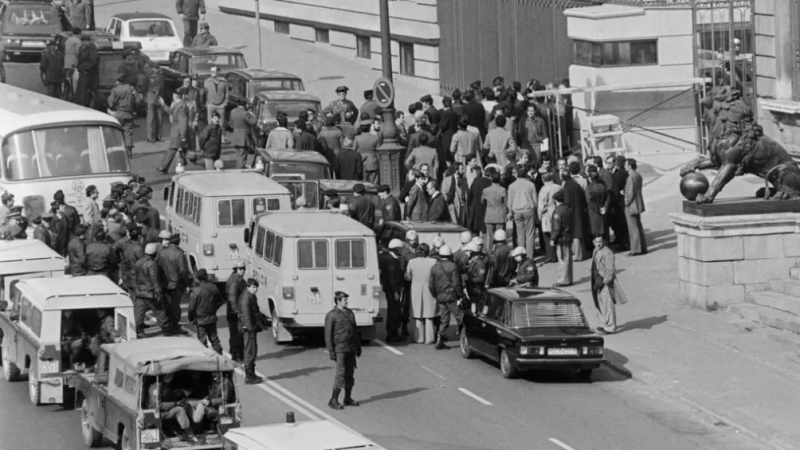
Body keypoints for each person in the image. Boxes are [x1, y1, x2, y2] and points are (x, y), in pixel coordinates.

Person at [324, 291, 361, 409]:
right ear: (338, 301)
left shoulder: (350, 313)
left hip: (351, 347)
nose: (347, 301)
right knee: (340, 373)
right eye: (345, 300)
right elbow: (328, 334)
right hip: (340, 347)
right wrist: (331, 350)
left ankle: (347, 398)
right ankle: (333, 399)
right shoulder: (332, 315)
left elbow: (355, 331)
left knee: (350, 372)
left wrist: (358, 346)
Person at [591, 235, 627, 334]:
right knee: (600, 304)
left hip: (605, 283)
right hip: (597, 281)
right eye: (596, 242)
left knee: (608, 305)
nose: (598, 244)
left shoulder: (608, 253)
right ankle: (604, 324)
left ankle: (610, 327)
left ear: (604, 242)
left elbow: (610, 271)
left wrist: (605, 282)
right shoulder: (596, 251)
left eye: (600, 242)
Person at [149, 373, 200, 443]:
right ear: (162, 375)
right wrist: (175, 404)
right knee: (179, 410)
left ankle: (190, 430)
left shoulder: (166, 386)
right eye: (166, 375)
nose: (168, 377)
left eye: (171, 375)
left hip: (166, 411)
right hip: (157, 414)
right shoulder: (156, 387)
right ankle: (189, 433)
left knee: (186, 405)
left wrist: (178, 400)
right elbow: (158, 405)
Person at [429, 245, 463, 349]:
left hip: (440, 296)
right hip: (451, 296)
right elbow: (456, 283)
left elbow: (431, 285)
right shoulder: (453, 266)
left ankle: (439, 339)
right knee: (460, 316)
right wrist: (461, 295)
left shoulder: (434, 267)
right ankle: (463, 338)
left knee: (444, 319)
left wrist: (436, 295)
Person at [157, 231, 191, 334]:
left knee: (167, 306)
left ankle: (168, 326)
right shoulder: (179, 254)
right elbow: (183, 271)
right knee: (175, 307)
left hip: (163, 284)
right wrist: (187, 284)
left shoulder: (161, 252)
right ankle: (174, 327)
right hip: (175, 285)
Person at [404, 243, 436, 344]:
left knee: (418, 314)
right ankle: (430, 338)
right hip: (429, 288)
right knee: (429, 314)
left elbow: (408, 277)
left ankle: (419, 338)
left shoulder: (412, 262)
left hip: (416, 288)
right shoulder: (434, 261)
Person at [135, 243, 168, 337]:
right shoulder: (152, 263)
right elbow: (154, 279)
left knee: (139, 313)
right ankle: (166, 329)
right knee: (160, 311)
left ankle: (139, 331)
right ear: (154, 253)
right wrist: (158, 291)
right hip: (150, 292)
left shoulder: (139, 262)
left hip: (140, 291)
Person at [188, 269, 224, 353]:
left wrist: (190, 318)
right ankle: (219, 356)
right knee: (214, 339)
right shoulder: (214, 287)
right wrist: (214, 308)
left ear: (197, 279)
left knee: (202, 341)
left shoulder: (196, 291)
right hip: (212, 317)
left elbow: (191, 308)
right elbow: (221, 300)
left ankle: (206, 358)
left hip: (200, 320)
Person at [508, 165, 538, 259]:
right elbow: (535, 200)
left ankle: (521, 256)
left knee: (520, 235)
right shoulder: (531, 184)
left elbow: (510, 201)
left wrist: (510, 212)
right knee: (530, 234)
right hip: (528, 210)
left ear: (517, 174)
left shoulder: (512, 186)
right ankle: (530, 257)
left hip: (517, 211)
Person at [239, 278, 264, 384]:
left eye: (256, 287)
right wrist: (251, 330)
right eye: (253, 287)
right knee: (250, 352)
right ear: (248, 287)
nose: (255, 289)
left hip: (250, 328)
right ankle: (249, 376)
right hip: (248, 329)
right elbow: (247, 316)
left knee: (253, 351)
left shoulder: (250, 296)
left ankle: (252, 373)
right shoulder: (246, 299)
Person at [107, 74, 138, 158]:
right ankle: (129, 152)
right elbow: (138, 99)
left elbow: (111, 102)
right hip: (129, 113)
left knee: (117, 131)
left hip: (119, 113)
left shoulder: (115, 89)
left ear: (118, 81)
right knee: (129, 132)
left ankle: (118, 150)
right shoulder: (131, 88)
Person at [380, 239, 405, 342]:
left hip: (391, 289)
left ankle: (393, 332)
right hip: (393, 290)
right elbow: (391, 278)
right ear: (396, 249)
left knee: (394, 311)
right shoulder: (391, 261)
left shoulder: (387, 257)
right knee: (394, 312)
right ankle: (392, 333)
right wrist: (395, 291)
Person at [561, 170, 588, 262]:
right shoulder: (576, 185)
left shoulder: (567, 186)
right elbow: (583, 198)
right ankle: (582, 253)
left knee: (575, 233)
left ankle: (577, 255)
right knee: (579, 232)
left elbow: (567, 201)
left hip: (572, 213)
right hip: (579, 211)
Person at [624, 158, 648, 256]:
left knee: (633, 228)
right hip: (638, 204)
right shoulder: (638, 175)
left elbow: (630, 193)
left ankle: (636, 249)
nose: (625, 166)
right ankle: (642, 247)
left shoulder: (630, 177)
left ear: (629, 166)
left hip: (631, 205)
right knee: (638, 226)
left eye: (626, 165)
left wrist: (626, 203)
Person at [225, 261, 247, 362]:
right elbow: (232, 298)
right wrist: (237, 312)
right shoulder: (235, 281)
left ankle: (238, 354)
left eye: (243, 268)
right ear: (236, 269)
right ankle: (236, 355)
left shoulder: (238, 279)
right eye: (240, 269)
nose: (242, 270)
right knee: (236, 334)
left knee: (238, 334)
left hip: (236, 311)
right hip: (234, 313)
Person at [551, 190, 573, 287]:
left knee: (562, 258)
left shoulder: (558, 211)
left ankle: (563, 280)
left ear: (555, 200)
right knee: (568, 258)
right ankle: (569, 278)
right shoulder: (567, 208)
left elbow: (557, 227)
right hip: (568, 235)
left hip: (561, 238)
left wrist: (553, 238)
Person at [481, 171, 507, 250]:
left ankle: (489, 254)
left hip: (489, 215)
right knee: (500, 237)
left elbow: (482, 201)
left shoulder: (485, 190)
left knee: (489, 237)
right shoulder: (502, 189)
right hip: (499, 215)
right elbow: (506, 202)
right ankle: (499, 252)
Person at [352, 115, 381, 184]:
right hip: (374, 161)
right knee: (374, 183)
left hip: (362, 162)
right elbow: (379, 151)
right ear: (369, 127)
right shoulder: (375, 137)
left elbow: (354, 151)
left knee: (364, 182)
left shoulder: (357, 138)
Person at [586, 167, 610, 241]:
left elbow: (589, 201)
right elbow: (608, 198)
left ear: (590, 178)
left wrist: (598, 209)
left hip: (594, 212)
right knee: (604, 231)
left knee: (596, 232)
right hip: (603, 210)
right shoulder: (602, 186)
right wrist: (604, 207)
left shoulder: (589, 188)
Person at [230, 102, 257, 168]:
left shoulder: (233, 111)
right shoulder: (245, 113)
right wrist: (252, 115)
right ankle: (240, 171)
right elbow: (253, 122)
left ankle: (239, 169)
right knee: (242, 156)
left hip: (236, 135)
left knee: (238, 155)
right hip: (243, 137)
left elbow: (231, 124)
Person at [203, 67, 228, 136]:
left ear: (218, 72)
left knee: (221, 123)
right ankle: (211, 136)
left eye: (213, 71)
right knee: (210, 123)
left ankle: (221, 137)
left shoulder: (224, 81)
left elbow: (227, 94)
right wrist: (207, 104)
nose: (212, 73)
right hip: (211, 104)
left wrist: (224, 104)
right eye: (211, 71)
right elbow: (205, 93)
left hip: (221, 105)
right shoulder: (207, 81)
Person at [143, 64, 165, 143]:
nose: (156, 69)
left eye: (157, 68)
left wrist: (162, 96)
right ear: (152, 68)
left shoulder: (161, 74)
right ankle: (150, 137)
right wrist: (145, 96)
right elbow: (144, 86)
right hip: (151, 94)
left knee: (159, 117)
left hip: (158, 95)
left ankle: (158, 136)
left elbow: (163, 85)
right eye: (155, 68)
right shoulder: (149, 75)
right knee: (151, 118)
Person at [76, 34, 99, 107]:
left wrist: (87, 69)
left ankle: (82, 103)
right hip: (82, 70)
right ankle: (80, 101)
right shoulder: (81, 48)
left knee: (83, 88)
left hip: (87, 72)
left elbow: (93, 61)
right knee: (81, 88)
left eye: (84, 41)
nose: (83, 42)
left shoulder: (92, 49)